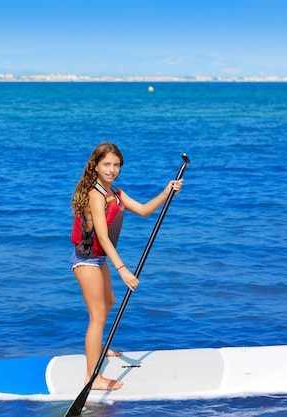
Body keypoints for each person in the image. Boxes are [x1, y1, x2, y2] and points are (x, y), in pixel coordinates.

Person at [70, 142, 183, 390]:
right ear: (95, 166)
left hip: (98, 259)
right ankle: (93, 378)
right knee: (97, 315)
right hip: (86, 260)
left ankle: (98, 346)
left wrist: (167, 192)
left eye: (116, 165)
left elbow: (143, 210)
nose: (112, 169)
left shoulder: (116, 193)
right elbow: (101, 237)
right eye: (107, 164)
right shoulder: (95, 195)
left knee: (108, 302)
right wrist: (123, 270)